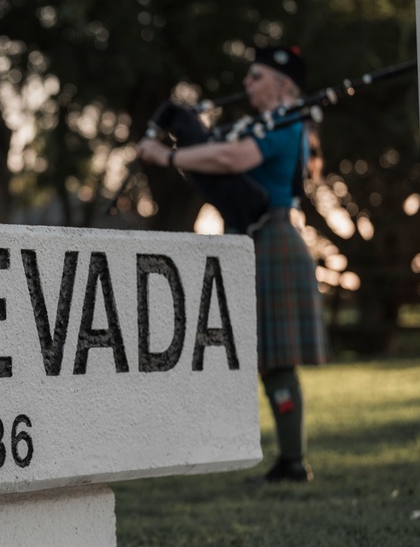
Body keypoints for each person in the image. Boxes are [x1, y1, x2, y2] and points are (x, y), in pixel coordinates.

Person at [137, 45, 328, 483]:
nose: (246, 84)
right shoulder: (266, 123)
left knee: (276, 358)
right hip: (250, 238)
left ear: (283, 85)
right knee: (257, 357)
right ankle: (285, 459)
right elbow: (216, 151)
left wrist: (165, 156)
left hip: (273, 238)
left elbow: (230, 159)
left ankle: (293, 462)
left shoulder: (286, 121)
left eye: (256, 76)